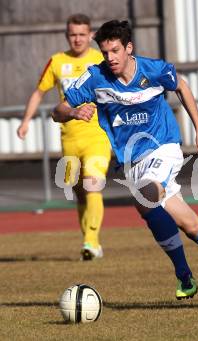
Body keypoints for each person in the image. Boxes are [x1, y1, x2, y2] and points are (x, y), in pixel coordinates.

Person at [52, 20, 198, 300]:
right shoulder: (95, 78)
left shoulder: (153, 69)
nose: (110, 57)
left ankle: (185, 273)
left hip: (164, 148)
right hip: (131, 163)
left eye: (115, 50)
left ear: (128, 48)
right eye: (105, 52)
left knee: (147, 196)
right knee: (191, 226)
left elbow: (181, 86)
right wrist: (73, 113)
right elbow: (57, 110)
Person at [17, 14, 112, 261]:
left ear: (91, 35)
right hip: (69, 138)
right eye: (73, 34)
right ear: (66, 36)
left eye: (82, 34)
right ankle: (91, 243)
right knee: (79, 190)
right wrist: (26, 121)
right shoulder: (57, 62)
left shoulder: (101, 59)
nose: (78, 39)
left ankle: (90, 242)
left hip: (98, 136)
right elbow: (39, 93)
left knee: (93, 184)